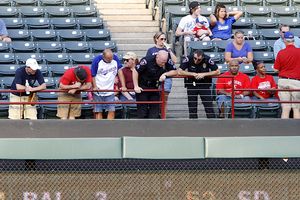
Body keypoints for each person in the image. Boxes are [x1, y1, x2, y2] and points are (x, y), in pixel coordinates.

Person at [133, 50, 177, 118]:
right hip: (143, 87)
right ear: (157, 57)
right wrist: (136, 86)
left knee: (155, 112)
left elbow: (175, 71)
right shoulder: (147, 60)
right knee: (142, 112)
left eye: (164, 62)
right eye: (162, 62)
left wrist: (165, 74)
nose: (163, 64)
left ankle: (153, 127)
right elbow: (135, 71)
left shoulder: (167, 60)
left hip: (155, 87)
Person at [178, 50, 220, 118]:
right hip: (192, 84)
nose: (196, 61)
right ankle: (193, 124)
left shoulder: (207, 59)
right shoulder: (188, 58)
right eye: (195, 58)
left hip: (204, 84)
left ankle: (212, 123)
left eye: (199, 59)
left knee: (208, 105)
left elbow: (218, 72)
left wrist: (204, 74)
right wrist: (192, 74)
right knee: (192, 106)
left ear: (203, 58)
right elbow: (179, 72)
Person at [146, 31, 177, 114]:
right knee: (155, 97)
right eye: (161, 39)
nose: (163, 40)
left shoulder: (167, 50)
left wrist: (169, 49)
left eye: (165, 39)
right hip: (154, 76)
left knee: (164, 98)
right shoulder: (151, 50)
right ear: (156, 39)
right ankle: (156, 114)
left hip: (166, 75)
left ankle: (163, 116)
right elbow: (148, 62)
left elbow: (175, 61)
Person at [274, 31, 300, 119]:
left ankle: (283, 131)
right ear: (294, 40)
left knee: (285, 108)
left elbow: (276, 69)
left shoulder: (281, 53)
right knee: (296, 109)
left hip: (283, 81)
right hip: (296, 81)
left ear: (285, 40)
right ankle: (297, 131)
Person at [91, 48, 122, 119]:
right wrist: (95, 86)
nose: (111, 59)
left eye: (111, 57)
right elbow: (93, 74)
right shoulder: (97, 60)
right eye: (108, 58)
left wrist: (122, 84)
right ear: (103, 56)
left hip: (110, 91)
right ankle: (99, 127)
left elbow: (120, 70)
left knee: (111, 110)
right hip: (99, 90)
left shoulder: (115, 58)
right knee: (98, 111)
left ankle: (110, 127)